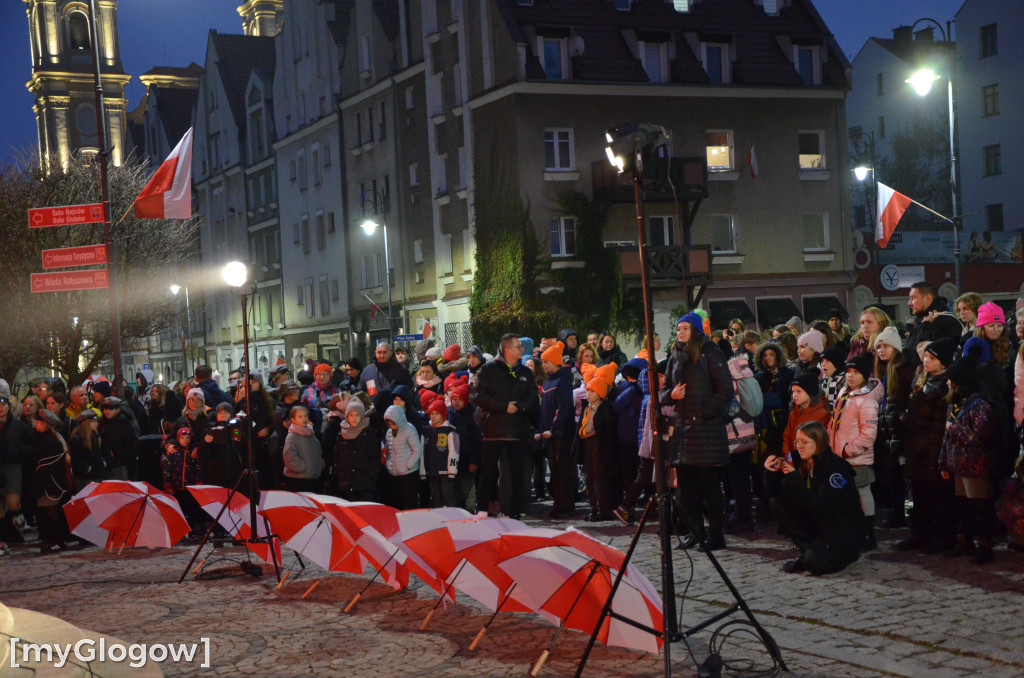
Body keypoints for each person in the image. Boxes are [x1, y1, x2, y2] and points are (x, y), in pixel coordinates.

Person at [664, 312, 733, 551]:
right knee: (686, 489)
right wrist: (671, 395)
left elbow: (725, 390)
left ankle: (716, 535)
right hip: (683, 431)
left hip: (706, 431)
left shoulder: (710, 353)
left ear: (695, 330)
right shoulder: (675, 355)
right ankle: (696, 532)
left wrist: (705, 413)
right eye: (678, 329)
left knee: (710, 487)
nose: (679, 332)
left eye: (684, 328)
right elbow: (664, 390)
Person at [939, 341, 1007, 564]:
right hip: (957, 463)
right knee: (964, 506)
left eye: (950, 380)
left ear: (960, 383)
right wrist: (943, 461)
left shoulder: (980, 404)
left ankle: (984, 546)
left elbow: (977, 436)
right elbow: (946, 436)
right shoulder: (954, 403)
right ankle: (965, 541)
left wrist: (954, 428)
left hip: (976, 465)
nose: (947, 382)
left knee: (980, 506)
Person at [764, 421, 862, 574]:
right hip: (820, 527)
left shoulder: (834, 469)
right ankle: (807, 550)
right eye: (797, 441)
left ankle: (831, 555)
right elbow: (776, 494)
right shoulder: (803, 462)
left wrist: (794, 479)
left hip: (840, 532)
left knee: (815, 564)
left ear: (819, 442)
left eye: (805, 442)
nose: (799, 446)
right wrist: (770, 473)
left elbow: (822, 507)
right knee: (777, 503)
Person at [471, 334, 539, 519]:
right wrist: (504, 406)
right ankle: (482, 511)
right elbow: (478, 396)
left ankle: (514, 513)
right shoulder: (488, 370)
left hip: (518, 431)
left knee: (517, 475)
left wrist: (519, 407)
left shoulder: (525, 372)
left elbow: (534, 397)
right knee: (488, 474)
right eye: (518, 347)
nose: (522, 350)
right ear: (508, 349)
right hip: (493, 430)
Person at [898, 337, 954, 552]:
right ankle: (919, 534)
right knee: (919, 496)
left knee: (938, 498)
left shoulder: (945, 386)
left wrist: (934, 454)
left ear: (943, 362)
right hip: (916, 447)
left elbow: (939, 425)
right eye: (925, 357)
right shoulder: (922, 381)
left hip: (932, 449)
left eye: (931, 358)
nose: (926, 361)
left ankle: (940, 537)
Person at [827, 353, 881, 550]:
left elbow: (868, 435)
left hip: (855, 458)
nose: (850, 376)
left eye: (855, 372)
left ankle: (869, 534)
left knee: (862, 492)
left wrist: (847, 450)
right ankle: (854, 531)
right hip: (839, 455)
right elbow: (836, 423)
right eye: (848, 371)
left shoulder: (866, 401)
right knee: (847, 495)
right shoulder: (844, 392)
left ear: (865, 375)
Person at [872, 326, 915, 528]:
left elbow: (905, 402)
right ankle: (897, 514)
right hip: (889, 432)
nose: (881, 350)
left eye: (885, 346)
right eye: (879, 346)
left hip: (901, 432)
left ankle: (906, 515)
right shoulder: (884, 372)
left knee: (903, 476)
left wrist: (902, 420)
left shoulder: (902, 370)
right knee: (894, 477)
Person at [538, 341, 577, 518]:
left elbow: (563, 407)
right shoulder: (548, 381)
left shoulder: (562, 380)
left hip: (561, 434)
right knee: (555, 471)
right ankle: (559, 501)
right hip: (550, 434)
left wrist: (553, 428)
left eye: (546, 361)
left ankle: (566, 504)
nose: (543, 364)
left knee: (563, 470)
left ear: (554, 361)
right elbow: (545, 409)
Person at [578, 365, 618, 521]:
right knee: (590, 477)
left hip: (599, 446)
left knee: (599, 479)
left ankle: (603, 510)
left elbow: (607, 432)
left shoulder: (605, 410)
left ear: (600, 393)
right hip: (587, 444)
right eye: (588, 390)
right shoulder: (587, 408)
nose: (588, 393)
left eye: (592, 391)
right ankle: (594, 508)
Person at [33, 409, 73, 554]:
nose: (36, 424)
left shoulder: (48, 441)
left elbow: (45, 466)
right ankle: (54, 540)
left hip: (49, 485)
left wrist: (38, 485)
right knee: (50, 512)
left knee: (50, 513)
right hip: (51, 484)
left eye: (39, 422)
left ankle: (56, 541)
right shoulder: (51, 438)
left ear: (46, 424)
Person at [904, 282, 964, 365]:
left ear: (928, 298)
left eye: (913, 298)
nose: (909, 303)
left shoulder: (946, 322)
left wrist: (926, 326)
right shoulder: (922, 320)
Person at [331, 399, 380, 501]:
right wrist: (339, 475)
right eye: (351, 415)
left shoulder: (369, 433)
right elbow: (336, 457)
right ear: (347, 416)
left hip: (365, 485)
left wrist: (370, 477)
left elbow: (375, 458)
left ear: (362, 416)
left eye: (357, 415)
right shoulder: (341, 434)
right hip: (345, 485)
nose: (354, 418)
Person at [161, 425, 206, 533]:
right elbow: (167, 470)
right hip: (176, 488)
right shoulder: (173, 454)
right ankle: (179, 531)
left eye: (187, 438)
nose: (185, 440)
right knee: (178, 510)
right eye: (182, 438)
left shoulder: (194, 454)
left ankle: (192, 530)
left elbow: (199, 469)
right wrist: (167, 484)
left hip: (190, 488)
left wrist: (199, 481)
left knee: (192, 510)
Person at [781, 370, 831, 459]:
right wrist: (788, 457)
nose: (794, 395)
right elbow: (787, 436)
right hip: (793, 459)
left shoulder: (823, 414)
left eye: (799, 391)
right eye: (793, 392)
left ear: (810, 393)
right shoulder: (794, 412)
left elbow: (821, 444)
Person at [448, 384, 482, 513]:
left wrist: (474, 461)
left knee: (467, 486)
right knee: (455, 486)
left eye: (460, 399)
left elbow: (476, 441)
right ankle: (458, 510)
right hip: (454, 459)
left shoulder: (471, 417)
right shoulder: (450, 414)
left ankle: (469, 509)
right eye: (454, 399)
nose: (456, 402)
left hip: (467, 458)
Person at [383, 404, 422, 510]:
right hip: (394, 473)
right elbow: (388, 451)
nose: (391, 426)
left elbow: (417, 450)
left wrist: (408, 465)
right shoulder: (389, 433)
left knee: (409, 503)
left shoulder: (409, 429)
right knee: (397, 503)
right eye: (389, 424)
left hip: (408, 474)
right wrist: (389, 465)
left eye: (393, 423)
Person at [422, 399, 459, 507]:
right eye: (431, 413)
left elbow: (454, 452)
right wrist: (423, 471)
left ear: (443, 414)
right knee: (435, 498)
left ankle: (452, 519)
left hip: (445, 472)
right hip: (432, 471)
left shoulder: (449, 431)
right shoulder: (427, 430)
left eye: (436, 413)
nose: (433, 416)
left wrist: (452, 471)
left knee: (449, 498)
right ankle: (438, 521)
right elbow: (423, 452)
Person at [358, 342, 415, 410]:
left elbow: (409, 392)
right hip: (373, 413)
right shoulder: (368, 371)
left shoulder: (401, 370)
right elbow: (360, 391)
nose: (381, 355)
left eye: (385, 352)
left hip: (395, 412)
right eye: (379, 352)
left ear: (391, 353)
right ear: (375, 353)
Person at [282, 405, 325, 493]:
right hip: (298, 479)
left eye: (305, 416)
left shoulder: (310, 433)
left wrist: (320, 464)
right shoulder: (292, 436)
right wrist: (302, 467)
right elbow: (289, 457)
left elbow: (318, 451)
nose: (304, 419)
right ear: (293, 420)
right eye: (300, 416)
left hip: (313, 477)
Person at [99, 397, 138, 481]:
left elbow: (131, 446)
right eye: (105, 408)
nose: (107, 411)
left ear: (117, 410)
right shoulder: (102, 423)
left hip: (119, 465)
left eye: (111, 408)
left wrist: (117, 457)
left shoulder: (124, 424)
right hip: (105, 465)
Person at [68, 410, 104, 491]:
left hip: (95, 476)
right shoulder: (77, 439)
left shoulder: (95, 436)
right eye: (94, 422)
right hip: (84, 479)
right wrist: (87, 468)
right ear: (86, 423)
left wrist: (101, 463)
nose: (97, 424)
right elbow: (76, 459)